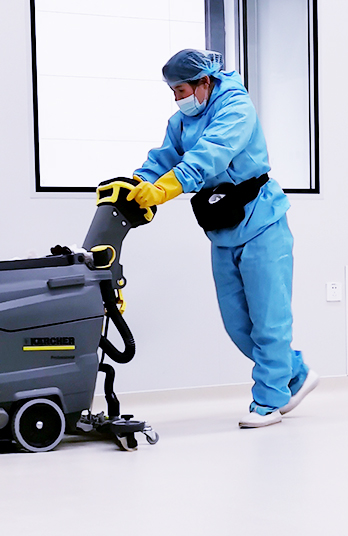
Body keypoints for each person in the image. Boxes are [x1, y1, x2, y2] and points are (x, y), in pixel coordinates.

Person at [127, 49, 319, 428]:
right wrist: (135, 183)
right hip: (223, 226)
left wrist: (164, 189)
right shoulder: (181, 122)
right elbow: (162, 158)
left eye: (181, 90)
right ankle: (295, 373)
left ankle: (269, 401)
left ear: (204, 82)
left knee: (269, 321)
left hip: (262, 220)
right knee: (238, 325)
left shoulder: (236, 108)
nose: (178, 99)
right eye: (173, 92)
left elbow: (211, 154)